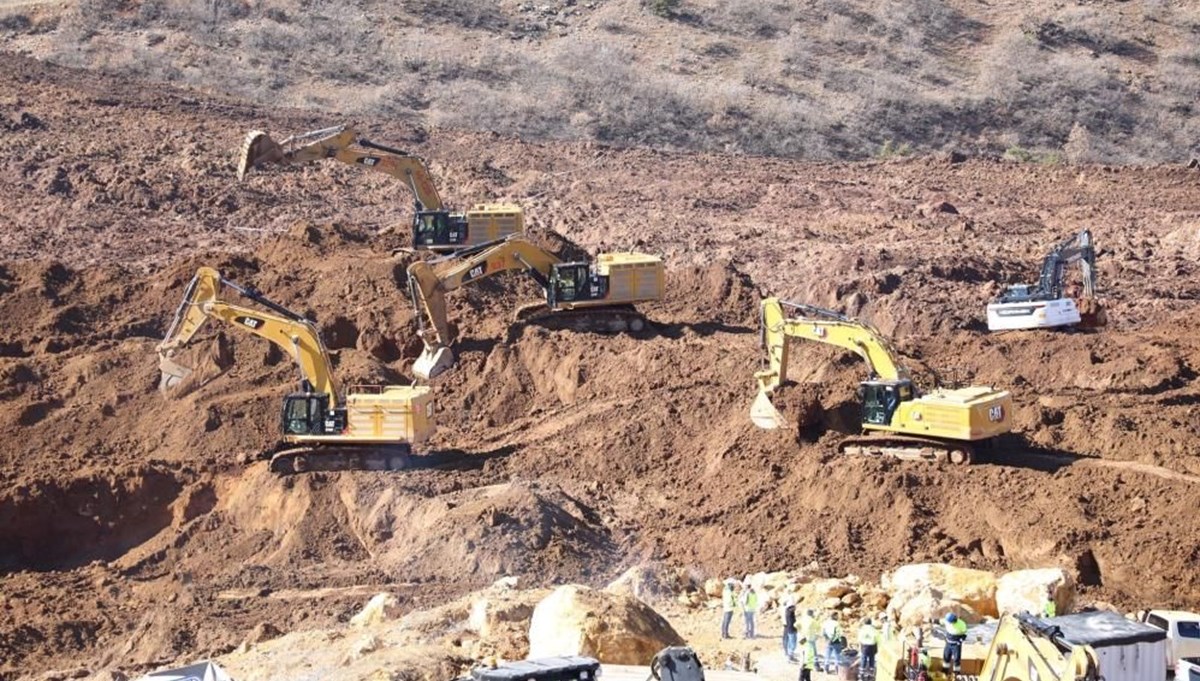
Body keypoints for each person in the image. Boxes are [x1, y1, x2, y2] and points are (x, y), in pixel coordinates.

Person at [942, 612, 968, 677]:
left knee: (956, 659)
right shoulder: (947, 621)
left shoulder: (961, 624)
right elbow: (940, 621)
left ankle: (956, 674)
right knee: (946, 657)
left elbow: (964, 635)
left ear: (953, 621)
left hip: (956, 644)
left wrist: (959, 641)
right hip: (948, 643)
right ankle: (945, 671)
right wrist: (930, 620)